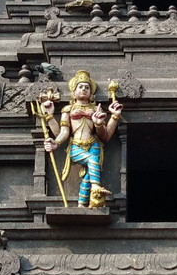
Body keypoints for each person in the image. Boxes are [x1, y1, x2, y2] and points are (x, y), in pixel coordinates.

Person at [41, 71, 123, 208]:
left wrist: (102, 121)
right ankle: (96, 187)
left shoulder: (96, 109)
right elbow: (64, 132)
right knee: (92, 160)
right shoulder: (68, 109)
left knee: (88, 176)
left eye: (87, 87)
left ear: (91, 93)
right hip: (76, 146)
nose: (84, 89)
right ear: (74, 91)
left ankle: (81, 205)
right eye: (80, 86)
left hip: (94, 144)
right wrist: (55, 140)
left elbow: (105, 136)